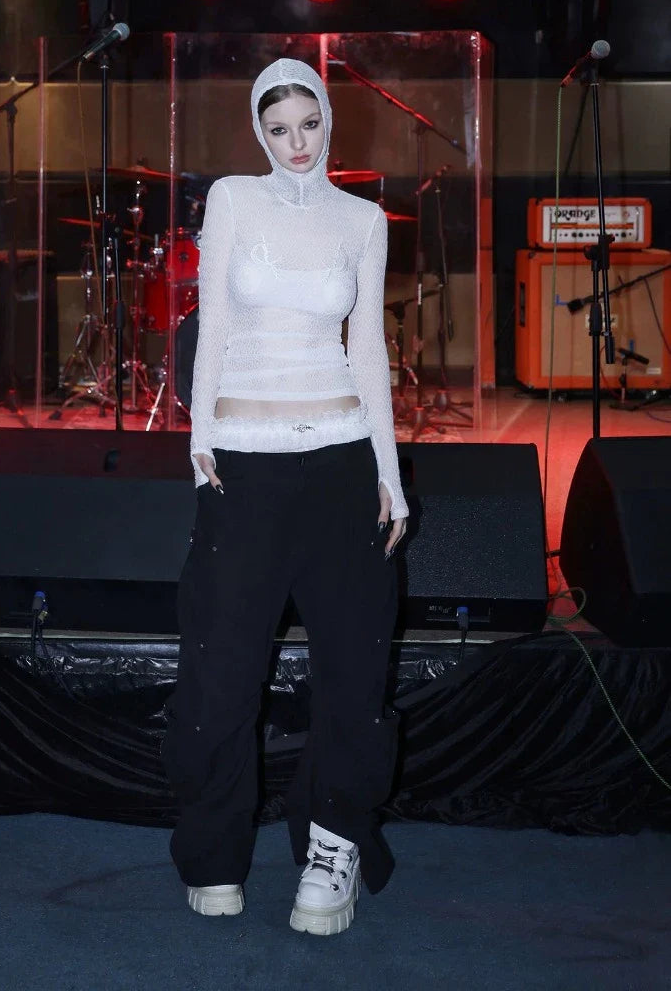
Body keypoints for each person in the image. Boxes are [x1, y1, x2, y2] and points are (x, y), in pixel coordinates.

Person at [161, 57, 409, 936]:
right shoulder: (233, 199)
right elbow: (214, 323)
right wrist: (200, 441)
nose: (296, 143)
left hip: (342, 460)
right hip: (246, 464)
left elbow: (368, 349)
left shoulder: (363, 220)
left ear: (328, 121)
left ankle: (333, 848)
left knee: (353, 673)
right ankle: (213, 852)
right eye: (278, 128)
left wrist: (389, 473)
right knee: (220, 674)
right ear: (258, 132)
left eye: (308, 124)